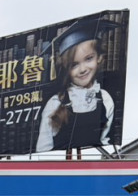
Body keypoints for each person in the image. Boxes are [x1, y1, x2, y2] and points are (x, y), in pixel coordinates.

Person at [36, 20, 115, 153]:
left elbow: (105, 141)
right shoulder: (55, 103)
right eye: (74, 65)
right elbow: (42, 149)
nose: (83, 69)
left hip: (93, 167)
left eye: (89, 58)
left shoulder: (105, 99)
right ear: (66, 69)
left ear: (99, 58)